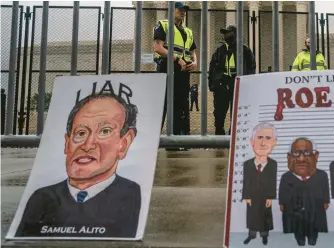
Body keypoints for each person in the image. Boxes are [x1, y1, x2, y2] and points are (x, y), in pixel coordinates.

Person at [15, 93, 141, 238]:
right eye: (80, 133)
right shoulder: (42, 198)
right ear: (67, 143)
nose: (87, 146)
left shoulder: (134, 195)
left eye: (104, 131)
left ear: (124, 143)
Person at [153, 2, 197, 137]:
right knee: (163, 103)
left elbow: (192, 50)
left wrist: (195, 62)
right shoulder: (163, 25)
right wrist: (177, 59)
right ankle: (154, 138)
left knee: (180, 105)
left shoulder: (188, 31)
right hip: (167, 67)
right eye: (180, 9)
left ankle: (177, 140)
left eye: (185, 10)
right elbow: (158, 48)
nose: (183, 12)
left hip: (183, 72)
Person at [279, 137, 329, 246]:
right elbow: (282, 191)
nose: (301, 159)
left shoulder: (322, 175)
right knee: (298, 226)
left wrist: (326, 201)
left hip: (314, 208)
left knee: (313, 225)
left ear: (316, 156)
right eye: (296, 153)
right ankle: (300, 240)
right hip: (295, 210)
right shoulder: (286, 177)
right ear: (289, 157)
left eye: (307, 153)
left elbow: (325, 188)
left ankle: (312, 239)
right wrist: (282, 203)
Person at [208, 25, 256, 135]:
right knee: (219, 113)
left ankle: (233, 135)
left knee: (236, 112)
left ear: (235, 34)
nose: (226, 35)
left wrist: (247, 83)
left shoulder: (244, 50)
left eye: (228, 33)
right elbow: (212, 68)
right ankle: (219, 134)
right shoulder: (220, 51)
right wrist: (214, 84)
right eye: (225, 33)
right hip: (222, 83)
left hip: (238, 83)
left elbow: (251, 67)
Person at [242, 123, 278, 245]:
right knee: (252, 216)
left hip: (265, 196)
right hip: (252, 195)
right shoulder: (247, 164)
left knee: (265, 216)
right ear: (252, 141)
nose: (263, 143)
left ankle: (264, 236)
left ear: (274, 142)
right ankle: (251, 235)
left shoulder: (273, 164)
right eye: (259, 138)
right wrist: (246, 196)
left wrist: (270, 197)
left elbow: (272, 181)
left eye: (268, 138)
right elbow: (246, 181)